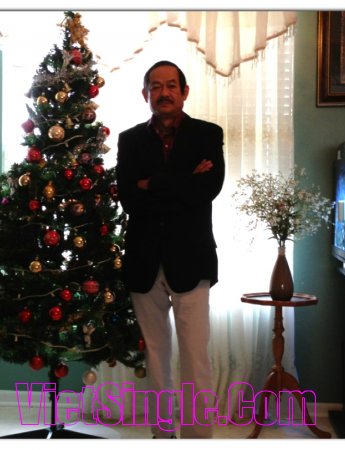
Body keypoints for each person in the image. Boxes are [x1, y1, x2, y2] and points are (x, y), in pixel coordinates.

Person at [116, 61, 225, 439]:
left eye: (171, 86)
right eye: (156, 86)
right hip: (143, 260)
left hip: (192, 259)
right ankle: (162, 436)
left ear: (184, 91)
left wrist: (152, 184)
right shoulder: (130, 140)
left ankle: (197, 439)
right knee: (155, 356)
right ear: (145, 93)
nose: (164, 93)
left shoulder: (208, 134)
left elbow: (208, 189)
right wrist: (184, 181)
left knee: (196, 357)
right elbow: (129, 198)